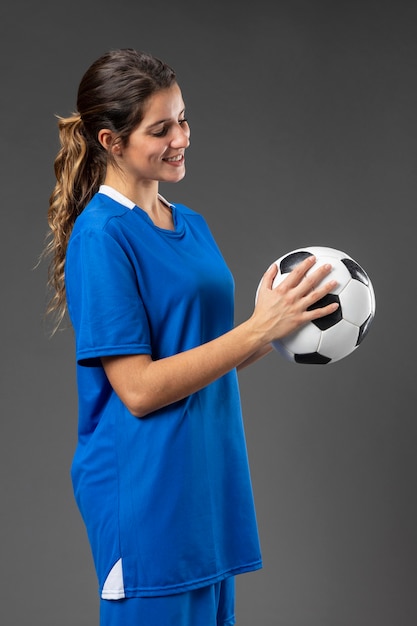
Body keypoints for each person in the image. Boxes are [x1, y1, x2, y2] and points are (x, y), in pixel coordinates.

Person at [45, 48, 338, 626]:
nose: (181, 136)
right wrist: (256, 328)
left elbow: (200, 356)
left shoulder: (192, 225)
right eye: (160, 128)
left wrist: (276, 325)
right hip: (147, 499)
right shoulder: (102, 237)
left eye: (182, 118)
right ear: (110, 141)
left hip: (209, 492)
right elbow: (138, 389)